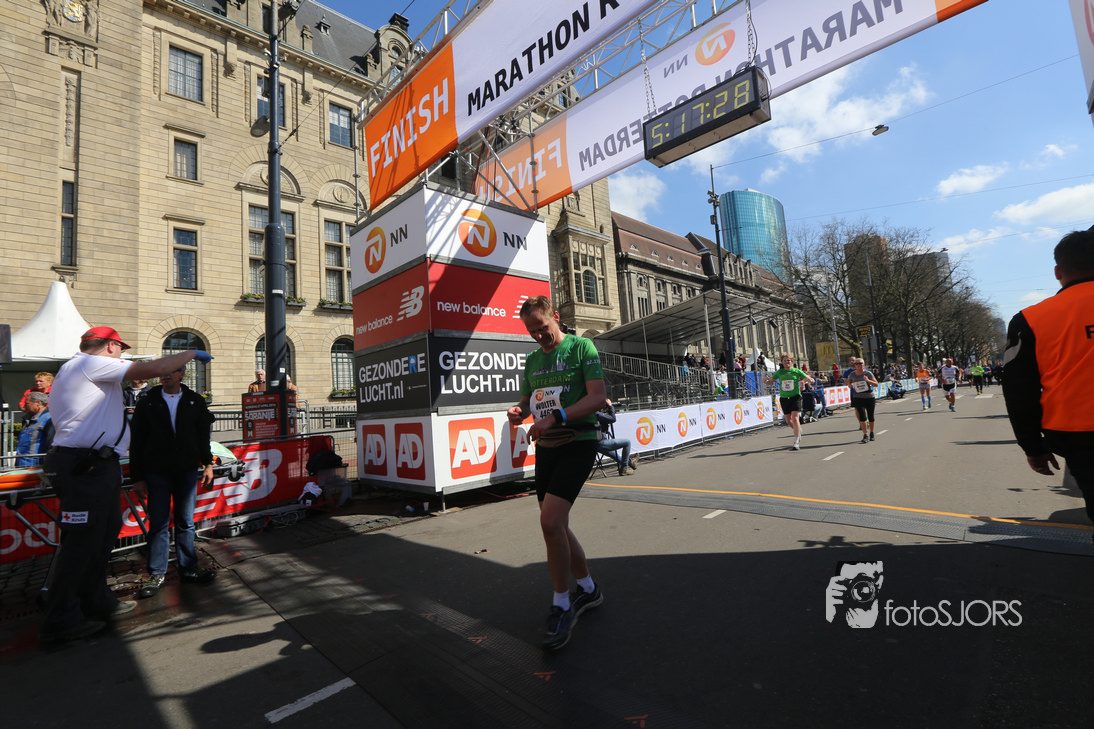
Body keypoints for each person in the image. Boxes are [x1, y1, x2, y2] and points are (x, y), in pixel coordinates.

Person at [38, 326, 213, 642]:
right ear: (110, 346)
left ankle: (96, 600)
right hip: (84, 465)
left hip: (94, 464)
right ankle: (61, 618)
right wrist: (191, 352)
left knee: (103, 534)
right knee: (82, 543)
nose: (121, 355)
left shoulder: (81, 368)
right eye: (120, 349)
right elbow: (156, 367)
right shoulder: (89, 363)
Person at [506, 296, 606, 650]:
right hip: (547, 447)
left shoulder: (582, 347)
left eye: (543, 328)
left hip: (579, 441)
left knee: (549, 523)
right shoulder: (533, 360)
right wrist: (518, 411)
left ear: (556, 318)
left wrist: (556, 417)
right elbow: (528, 401)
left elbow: (597, 397)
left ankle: (561, 604)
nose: (538, 336)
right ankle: (589, 588)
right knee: (557, 525)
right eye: (531, 331)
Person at [1003, 227, 1094, 530]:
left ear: (1058, 272)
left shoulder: (1030, 319)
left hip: (1080, 433)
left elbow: (1019, 390)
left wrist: (1032, 446)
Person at [130, 362, 217, 599]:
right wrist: (137, 477)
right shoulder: (147, 401)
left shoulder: (194, 400)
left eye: (171, 371)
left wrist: (208, 463)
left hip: (186, 470)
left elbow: (203, 435)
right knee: (158, 522)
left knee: (185, 521)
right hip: (156, 470)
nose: (165, 375)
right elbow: (137, 440)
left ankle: (188, 568)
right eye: (162, 372)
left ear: (181, 374)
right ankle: (156, 573)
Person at [764, 354, 814, 451]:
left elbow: (806, 377)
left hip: (795, 397)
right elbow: (770, 381)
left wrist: (810, 379)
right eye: (784, 360)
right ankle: (798, 430)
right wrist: (766, 381)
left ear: (792, 361)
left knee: (795, 418)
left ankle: (796, 441)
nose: (786, 362)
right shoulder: (780, 372)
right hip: (784, 398)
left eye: (788, 360)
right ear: (782, 362)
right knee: (788, 420)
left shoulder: (796, 371)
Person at [594, 398, 640, 476]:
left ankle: (631, 463)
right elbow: (612, 419)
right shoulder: (596, 414)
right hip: (600, 444)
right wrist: (610, 406)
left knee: (615, 455)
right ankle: (624, 468)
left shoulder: (591, 414)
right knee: (627, 442)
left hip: (595, 445)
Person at [15, 391, 54, 467]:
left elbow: (50, 444)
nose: (24, 406)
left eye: (27, 403)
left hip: (36, 465)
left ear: (38, 403)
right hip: (22, 464)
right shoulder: (29, 419)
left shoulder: (49, 419)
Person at [847, 359, 879, 443]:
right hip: (858, 397)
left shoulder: (868, 373)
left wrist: (868, 380)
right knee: (862, 416)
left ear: (864, 364)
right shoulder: (852, 374)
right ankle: (865, 435)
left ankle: (872, 432)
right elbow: (849, 382)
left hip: (869, 396)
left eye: (860, 363)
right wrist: (850, 384)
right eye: (856, 363)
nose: (858, 365)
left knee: (870, 416)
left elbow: (876, 384)